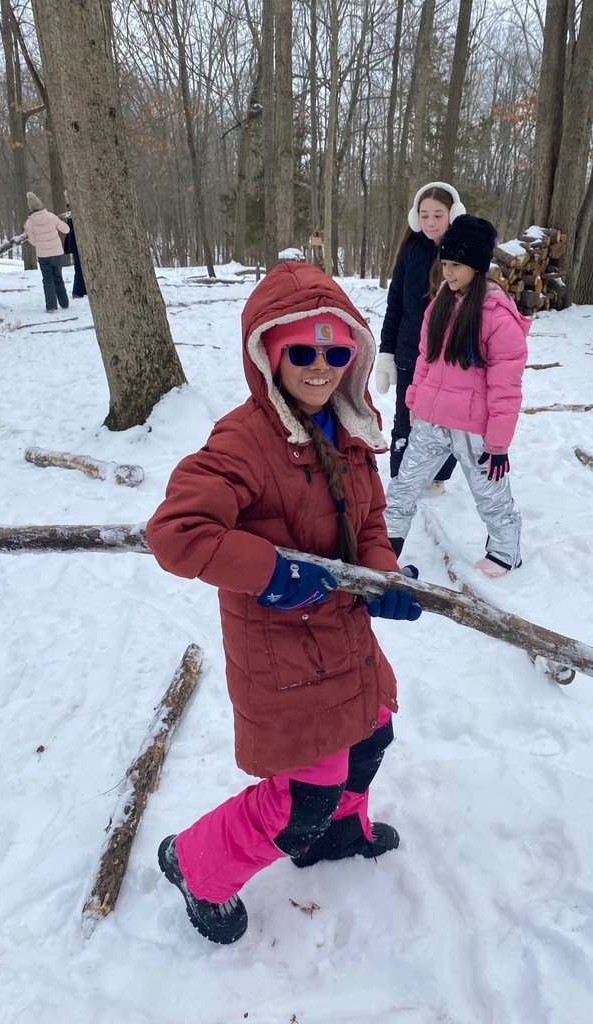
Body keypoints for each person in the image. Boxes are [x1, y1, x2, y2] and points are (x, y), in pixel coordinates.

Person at [146, 261, 422, 945]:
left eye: (336, 352)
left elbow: (367, 527)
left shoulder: (349, 432)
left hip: (345, 640)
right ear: (270, 354)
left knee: (372, 733)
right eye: (303, 351)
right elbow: (177, 532)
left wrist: (382, 577)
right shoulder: (244, 440)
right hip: (283, 655)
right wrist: (268, 570)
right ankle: (195, 864)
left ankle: (330, 838)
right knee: (304, 791)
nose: (321, 367)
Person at [383, 215, 531, 578]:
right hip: (431, 422)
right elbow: (424, 361)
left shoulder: (497, 316)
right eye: (445, 264)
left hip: (474, 430)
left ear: (477, 266)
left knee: (491, 498)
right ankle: (385, 546)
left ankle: (505, 550)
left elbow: (506, 388)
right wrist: (414, 405)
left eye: (456, 265)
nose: (447, 272)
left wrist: (497, 444)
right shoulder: (440, 305)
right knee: (402, 488)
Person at [376, 181, 466, 493]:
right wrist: (386, 351)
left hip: (449, 358)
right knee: (406, 419)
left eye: (437, 215)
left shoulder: (467, 254)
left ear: (453, 214)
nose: (430, 222)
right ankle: (401, 478)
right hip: (408, 354)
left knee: (447, 421)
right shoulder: (411, 250)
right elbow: (395, 304)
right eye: (424, 214)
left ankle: (438, 476)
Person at [24, 191, 70, 313]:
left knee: (48, 279)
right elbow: (66, 230)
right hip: (57, 253)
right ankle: (64, 303)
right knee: (58, 277)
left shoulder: (29, 223)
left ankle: (51, 307)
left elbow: (33, 241)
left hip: (43, 256)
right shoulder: (51, 216)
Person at [63, 189, 86, 299]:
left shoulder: (74, 212)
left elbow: (71, 231)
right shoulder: (70, 212)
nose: (65, 200)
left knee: (79, 268)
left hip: (78, 244)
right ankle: (80, 290)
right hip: (75, 244)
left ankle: (78, 292)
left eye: (66, 197)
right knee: (79, 267)